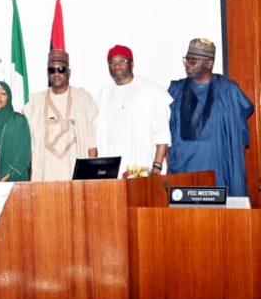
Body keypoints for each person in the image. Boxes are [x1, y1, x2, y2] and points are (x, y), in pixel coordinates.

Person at [168, 38, 254, 196]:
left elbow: (238, 130)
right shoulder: (176, 90)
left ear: (208, 63)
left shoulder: (228, 90)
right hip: (184, 173)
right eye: (187, 59)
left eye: (193, 60)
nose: (188, 63)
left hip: (219, 169)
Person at [96, 45, 172, 177]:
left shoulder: (152, 91)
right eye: (112, 62)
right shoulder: (103, 95)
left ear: (132, 63)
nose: (117, 66)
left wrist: (157, 165)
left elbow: (162, 133)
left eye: (122, 61)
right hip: (112, 171)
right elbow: (98, 134)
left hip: (143, 170)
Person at [24, 50, 98, 182]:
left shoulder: (82, 98)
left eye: (61, 69)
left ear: (68, 72)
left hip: (75, 174)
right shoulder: (36, 102)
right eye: (52, 70)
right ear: (48, 73)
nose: (56, 73)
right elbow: (29, 146)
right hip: (45, 176)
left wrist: (91, 177)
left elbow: (92, 142)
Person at [0, 81, 31, 182]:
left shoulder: (19, 121)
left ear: (9, 97)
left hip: (14, 183)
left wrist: (6, 179)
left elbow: (23, 154)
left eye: (3, 94)